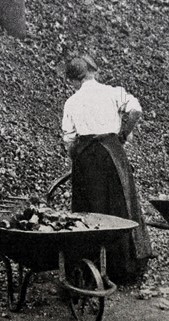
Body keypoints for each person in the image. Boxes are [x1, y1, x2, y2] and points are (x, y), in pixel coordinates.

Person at [62, 54, 153, 283]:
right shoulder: (113, 92)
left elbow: (70, 139)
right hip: (113, 153)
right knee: (121, 203)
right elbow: (136, 110)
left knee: (89, 208)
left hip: (86, 157)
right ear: (95, 72)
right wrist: (122, 134)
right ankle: (125, 267)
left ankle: (90, 266)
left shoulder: (72, 102)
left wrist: (76, 158)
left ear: (74, 80)